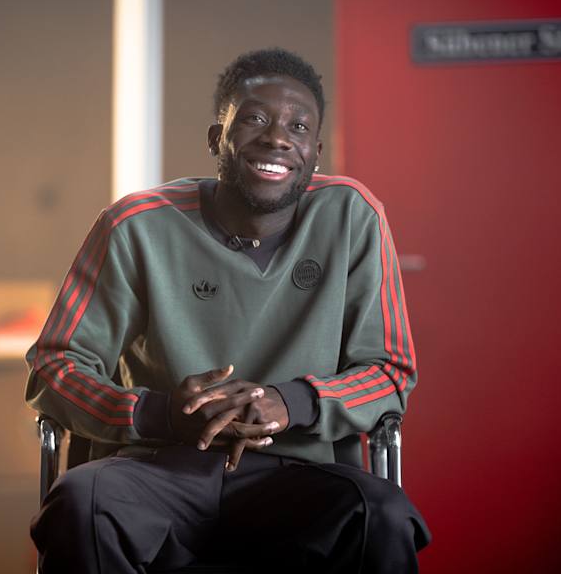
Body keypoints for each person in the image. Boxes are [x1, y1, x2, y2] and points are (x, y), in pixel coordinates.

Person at [26, 47, 430, 573]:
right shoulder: (137, 224)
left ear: (314, 152)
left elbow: (390, 372)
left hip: (295, 472)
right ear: (218, 138)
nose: (277, 138)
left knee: (382, 515)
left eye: (298, 127)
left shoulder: (352, 217)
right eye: (255, 119)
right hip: (157, 468)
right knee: (82, 504)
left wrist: (291, 401)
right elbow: (54, 370)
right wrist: (162, 413)